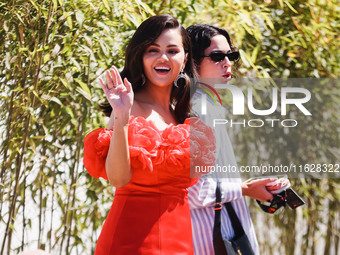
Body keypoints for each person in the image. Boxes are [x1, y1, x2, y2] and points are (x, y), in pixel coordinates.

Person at [83, 15, 215, 254]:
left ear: (185, 58)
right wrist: (121, 116)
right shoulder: (128, 108)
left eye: (172, 50)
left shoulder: (183, 118)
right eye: (153, 50)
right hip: (130, 243)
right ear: (140, 56)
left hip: (181, 243)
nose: (163, 57)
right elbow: (118, 179)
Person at [187, 24, 279, 255]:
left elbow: (213, 176)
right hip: (211, 238)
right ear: (192, 61)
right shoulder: (199, 109)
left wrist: (252, 187)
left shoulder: (208, 105)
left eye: (231, 55)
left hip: (218, 233)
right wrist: (247, 189)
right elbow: (194, 191)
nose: (227, 62)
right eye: (217, 57)